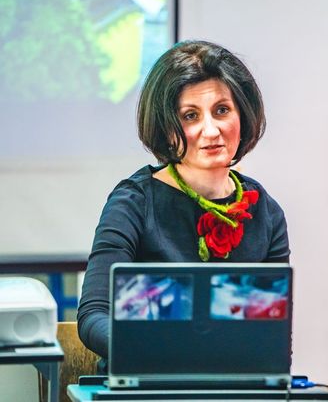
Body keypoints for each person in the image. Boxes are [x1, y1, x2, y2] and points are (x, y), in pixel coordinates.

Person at [77, 40, 290, 367]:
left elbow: (273, 334)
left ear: (243, 115)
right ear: (166, 129)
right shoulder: (133, 203)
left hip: (232, 385)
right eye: (191, 116)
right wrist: (158, 355)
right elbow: (94, 315)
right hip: (148, 380)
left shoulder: (266, 211)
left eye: (222, 110)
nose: (211, 130)